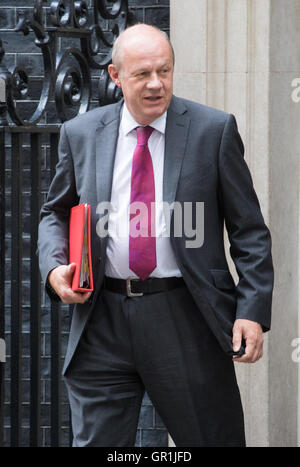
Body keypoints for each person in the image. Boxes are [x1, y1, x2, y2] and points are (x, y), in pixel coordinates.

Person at [38, 24, 274, 447]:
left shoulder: (212, 131)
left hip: (186, 314)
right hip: (101, 319)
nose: (155, 84)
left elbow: (249, 230)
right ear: (115, 76)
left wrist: (251, 309)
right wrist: (55, 268)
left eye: (164, 71)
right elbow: (55, 212)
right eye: (142, 74)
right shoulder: (81, 134)